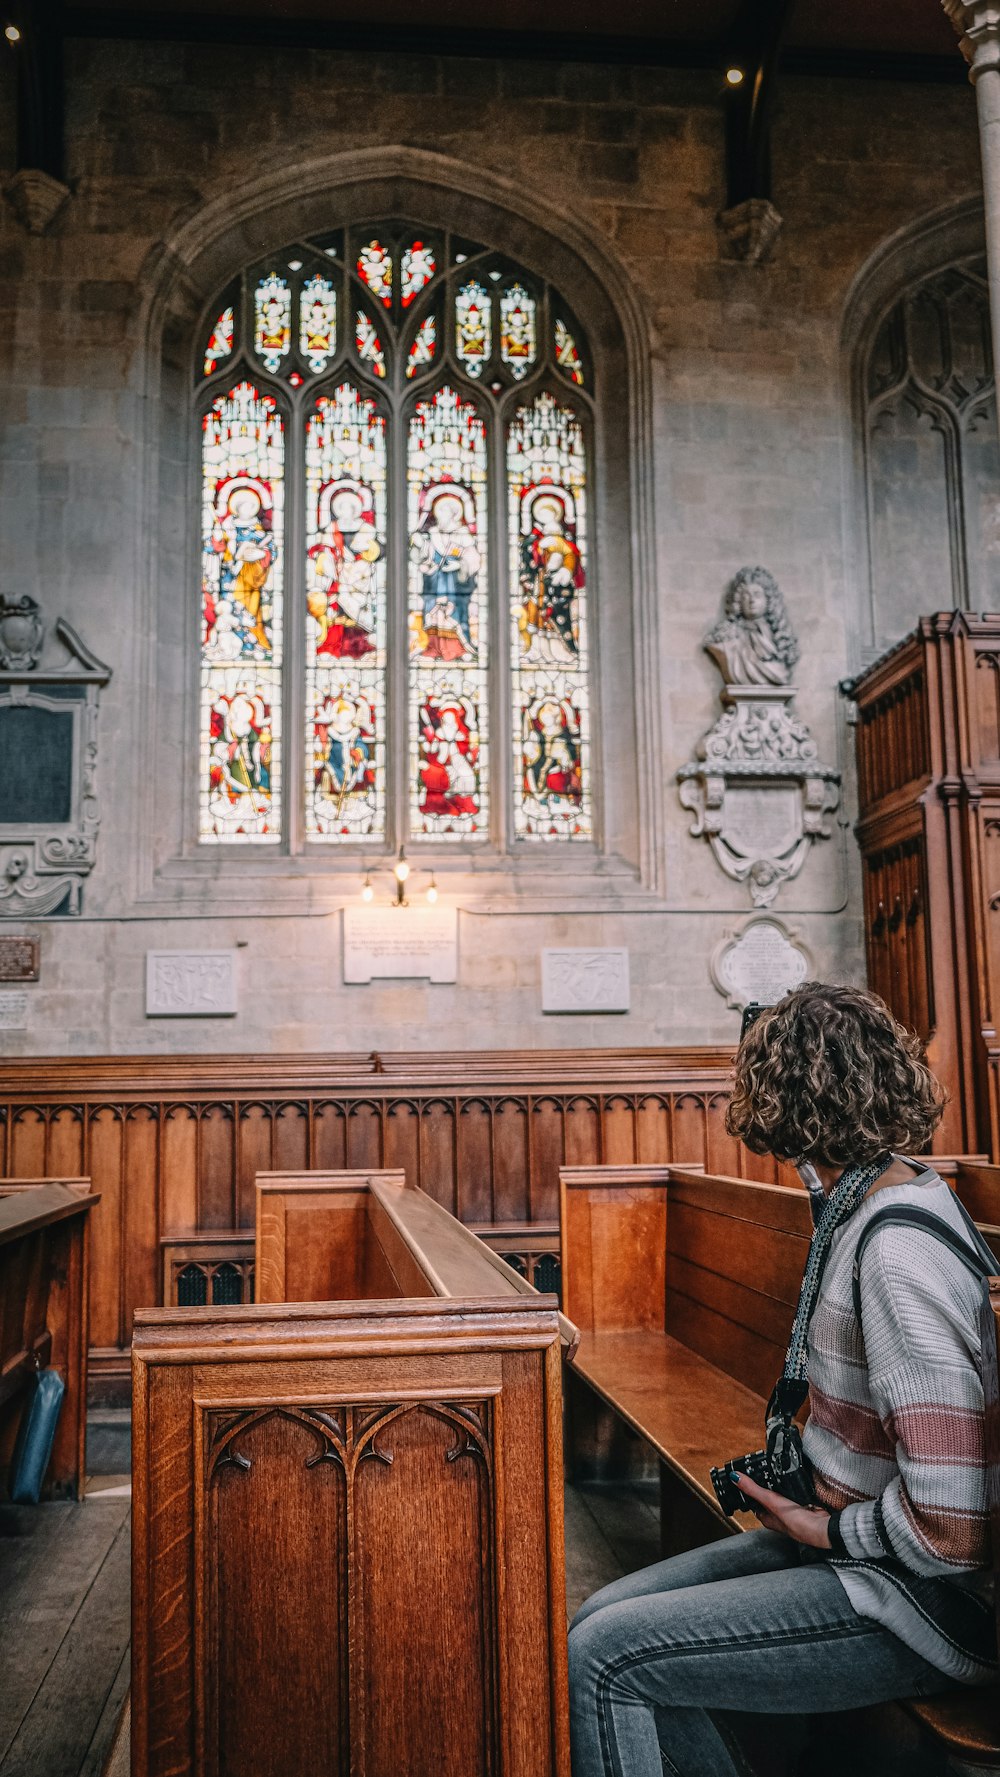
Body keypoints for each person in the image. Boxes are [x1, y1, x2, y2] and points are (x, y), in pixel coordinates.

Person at [568, 982, 997, 1777]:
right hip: (859, 1553)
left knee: (604, 1656)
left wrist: (825, 1530)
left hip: (919, 1599)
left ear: (786, 1098)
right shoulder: (866, 1193)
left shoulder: (895, 1250)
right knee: (598, 1614)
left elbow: (956, 1524)